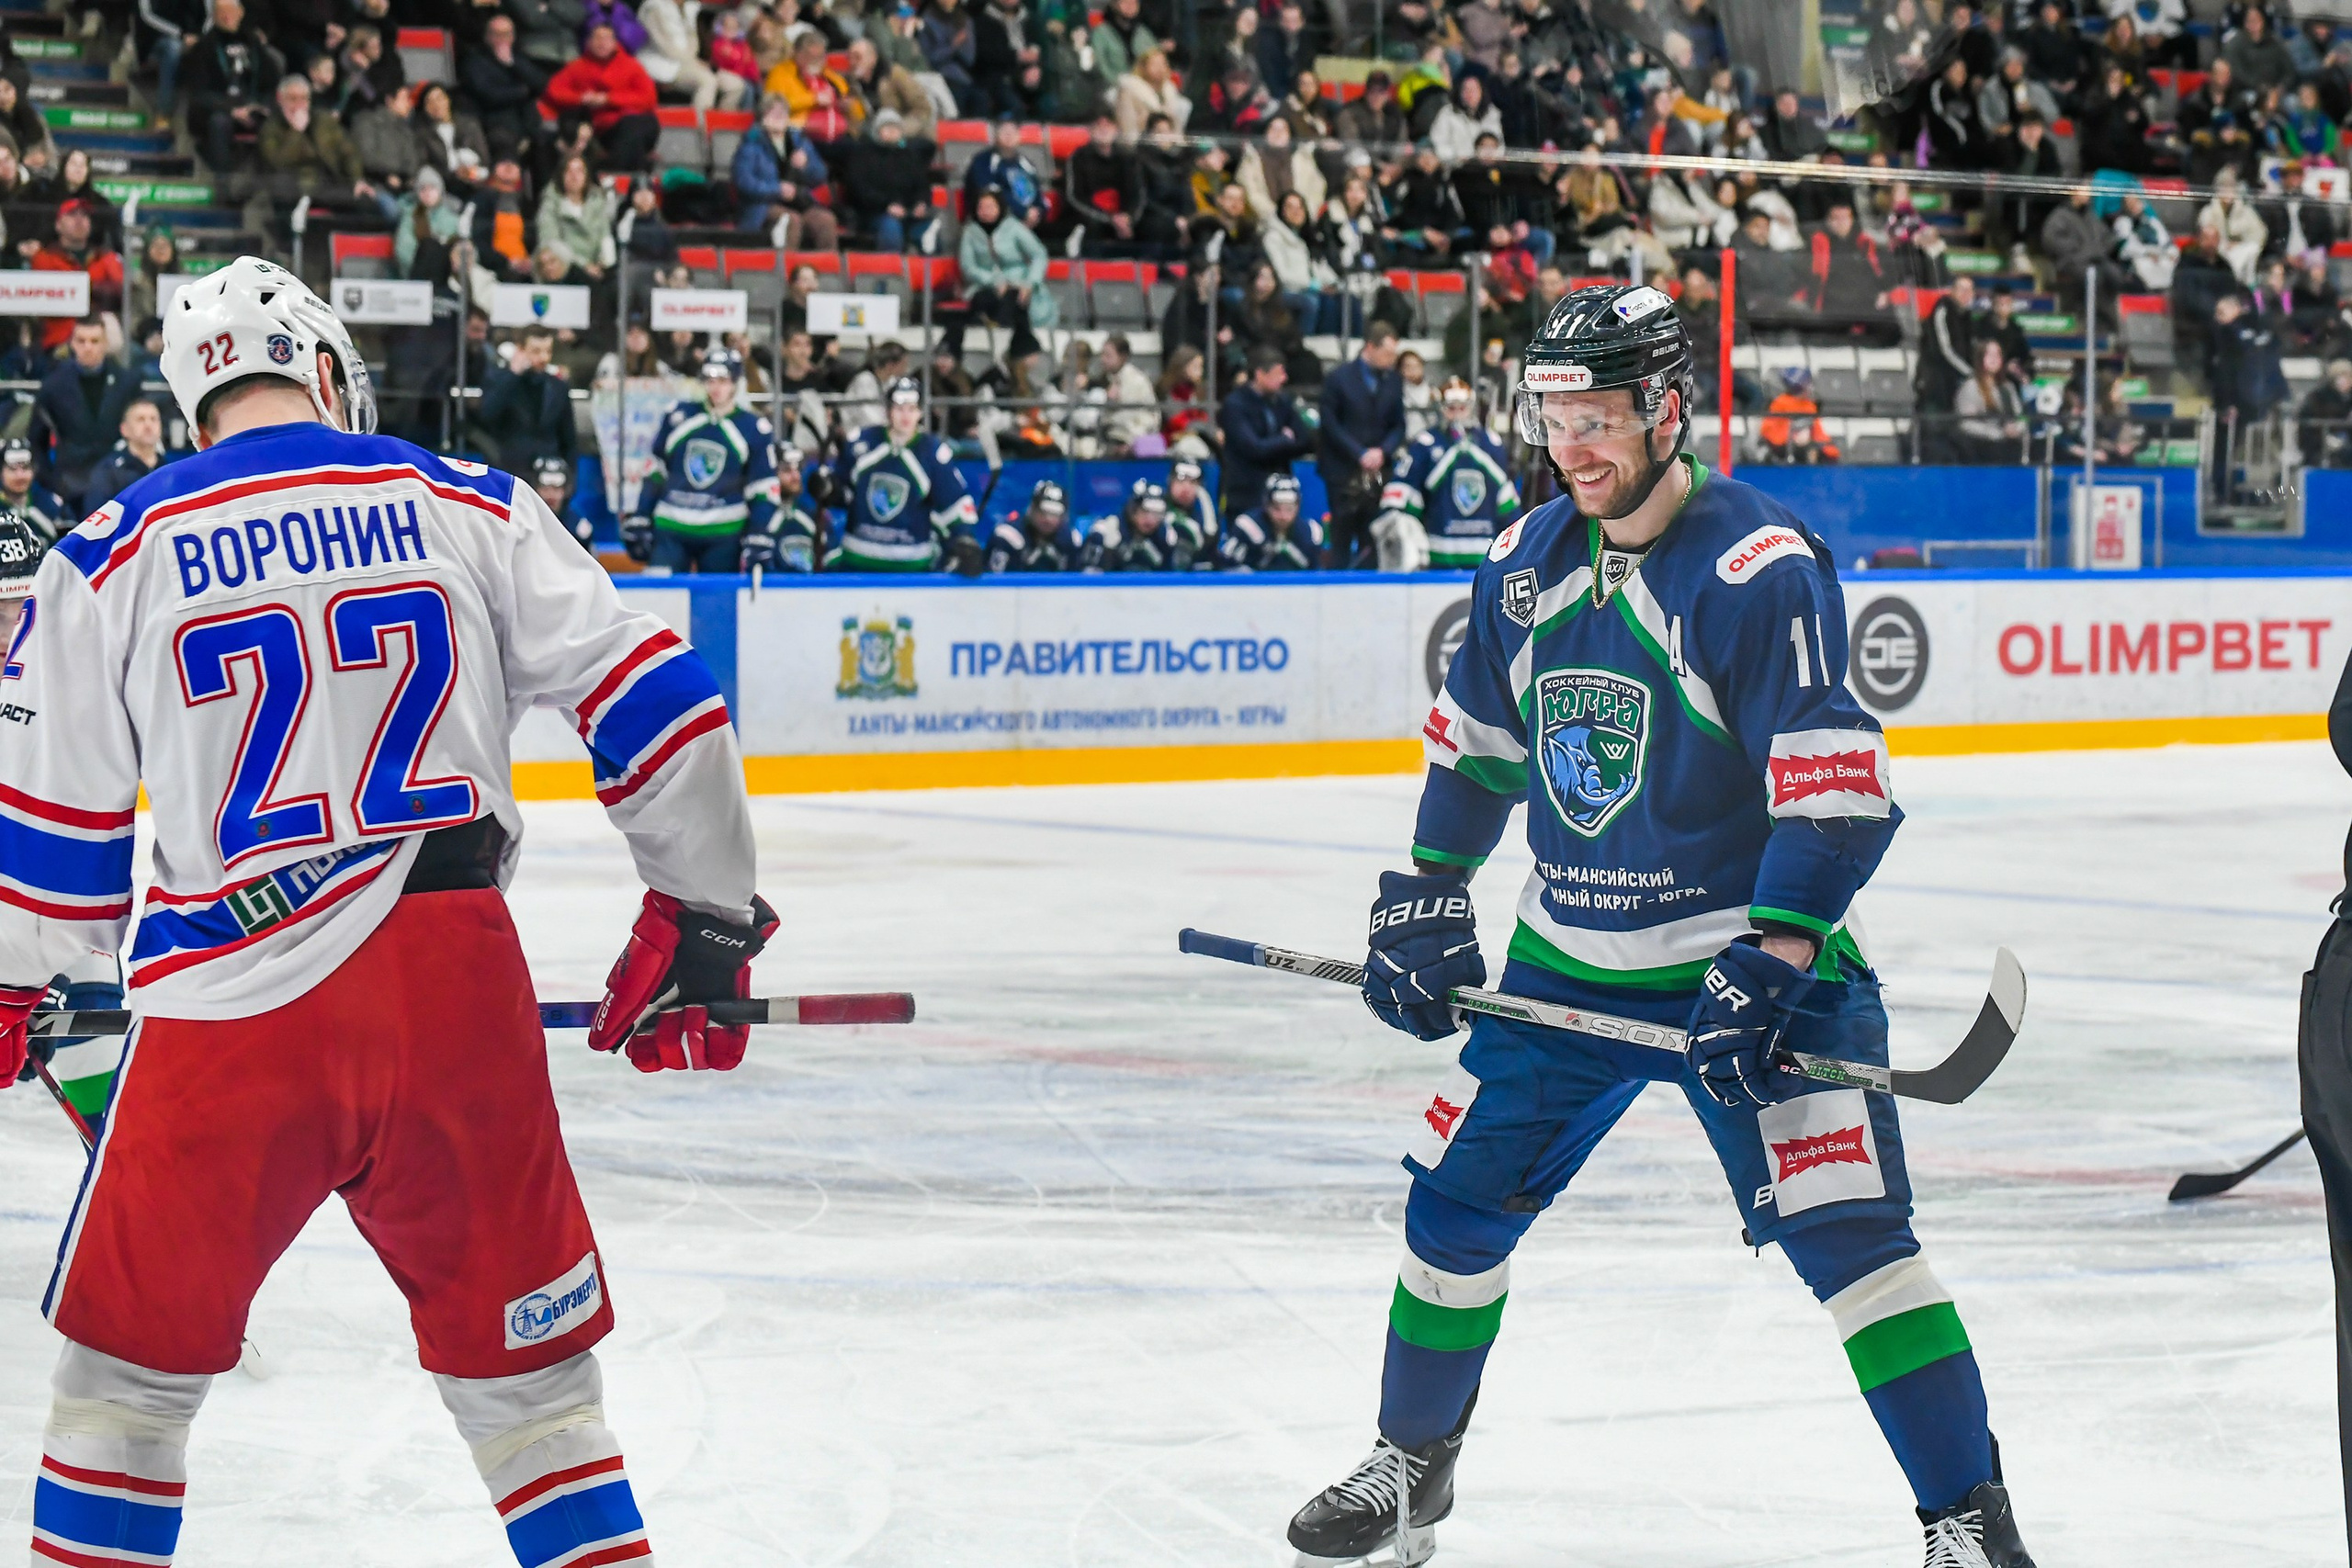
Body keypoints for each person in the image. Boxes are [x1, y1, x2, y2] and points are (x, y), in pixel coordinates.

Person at [0, 254, 772, 1568]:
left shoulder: (110, 548)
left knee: (122, 1399)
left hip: (225, 1018)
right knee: (540, 1410)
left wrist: (32, 985)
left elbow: (52, 836)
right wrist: (703, 915)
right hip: (454, 991)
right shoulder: (461, 496)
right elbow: (667, 697)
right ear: (317, 367)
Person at [1284, 281, 2036, 1568]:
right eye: (1552, 411)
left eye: (1598, 414)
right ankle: (1415, 1465)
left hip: (1749, 973)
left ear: (1666, 408)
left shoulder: (1758, 566)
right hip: (1565, 972)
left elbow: (1832, 783)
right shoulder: (1522, 568)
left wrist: (1781, 950)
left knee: (1851, 1237)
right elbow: (1476, 753)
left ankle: (1968, 1520)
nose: (1572, 442)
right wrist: (1422, 891)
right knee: (1452, 1213)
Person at [623, 348, 782, 574]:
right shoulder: (679, 416)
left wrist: (759, 532)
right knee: (661, 600)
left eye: (723, 380)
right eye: (710, 379)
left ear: (736, 382)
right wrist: (640, 514)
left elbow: (764, 487)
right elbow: (656, 471)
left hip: (724, 534)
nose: (716, 387)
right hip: (671, 528)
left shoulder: (753, 428)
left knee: (717, 604)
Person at [822, 376, 978, 571]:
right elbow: (842, 492)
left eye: (912, 409)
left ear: (921, 412)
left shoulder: (932, 452)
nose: (905, 416)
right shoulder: (862, 443)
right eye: (899, 408)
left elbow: (955, 503)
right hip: (857, 564)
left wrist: (964, 538)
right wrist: (828, 487)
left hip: (911, 570)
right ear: (888, 411)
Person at [1373, 373, 1521, 570]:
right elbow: (1402, 497)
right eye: (1451, 408)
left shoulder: (1490, 443)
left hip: (1486, 556)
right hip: (1439, 556)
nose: (1458, 413)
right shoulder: (1425, 443)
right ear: (1441, 408)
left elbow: (1505, 499)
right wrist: (1399, 519)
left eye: (1462, 407)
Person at [1318, 322, 1405, 569]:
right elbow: (1330, 424)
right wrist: (1359, 453)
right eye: (1388, 353)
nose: (1392, 359)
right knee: (1341, 537)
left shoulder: (1393, 381)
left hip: (1379, 473)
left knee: (1374, 538)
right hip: (1343, 472)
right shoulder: (1338, 379)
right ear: (1370, 347)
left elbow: (1398, 425)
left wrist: (1382, 451)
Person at [31, 317, 140, 504]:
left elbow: (139, 433)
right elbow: (35, 440)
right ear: (72, 343)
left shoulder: (127, 382)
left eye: (95, 341)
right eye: (81, 341)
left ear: (105, 343)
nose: (88, 347)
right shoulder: (53, 386)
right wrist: (53, 483)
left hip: (118, 484)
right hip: (70, 486)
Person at [950, 188, 1053, 362]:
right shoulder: (970, 232)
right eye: (981, 207)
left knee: (1017, 301)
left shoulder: (1013, 227)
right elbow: (968, 266)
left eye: (990, 206)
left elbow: (1039, 254)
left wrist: (1030, 282)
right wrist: (993, 281)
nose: (986, 211)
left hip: (1018, 283)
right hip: (984, 284)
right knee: (985, 300)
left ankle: (1019, 348)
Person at [542, 23, 659, 171]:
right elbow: (553, 91)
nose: (602, 43)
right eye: (597, 38)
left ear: (615, 43)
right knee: (632, 142)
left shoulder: (632, 66)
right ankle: (627, 177)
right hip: (605, 130)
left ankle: (617, 173)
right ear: (589, 42)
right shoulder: (577, 67)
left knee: (633, 127)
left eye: (607, 38)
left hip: (637, 123)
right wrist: (582, 98)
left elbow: (648, 98)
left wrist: (608, 99)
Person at [182, 0, 279, 175]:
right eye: (220, 11)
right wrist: (232, 110)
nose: (226, 16)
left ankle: (270, 188)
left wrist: (258, 106)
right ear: (213, 16)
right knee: (219, 123)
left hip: (252, 107)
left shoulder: (254, 43)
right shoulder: (203, 47)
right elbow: (199, 93)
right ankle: (223, 188)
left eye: (230, 10)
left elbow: (270, 84)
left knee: (273, 123)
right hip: (218, 111)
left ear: (241, 13)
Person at [1217, 344, 1313, 519]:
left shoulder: (1283, 401)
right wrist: (1284, 439)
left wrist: (1276, 444)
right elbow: (1253, 448)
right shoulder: (1236, 405)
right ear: (1260, 374)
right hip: (1246, 494)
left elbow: (1304, 440)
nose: (1284, 379)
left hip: (1281, 494)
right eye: (1279, 373)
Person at [480, 326, 576, 477]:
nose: (543, 358)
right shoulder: (499, 379)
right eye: (536, 351)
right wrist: (514, 375)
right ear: (520, 350)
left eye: (548, 351)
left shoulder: (558, 387)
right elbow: (487, 414)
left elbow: (568, 438)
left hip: (547, 476)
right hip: (508, 470)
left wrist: (570, 478)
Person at [841, 109, 939, 252]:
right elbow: (858, 189)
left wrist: (921, 203)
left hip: (908, 212)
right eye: (888, 127)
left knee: (931, 229)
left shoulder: (909, 156)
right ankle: (892, 271)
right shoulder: (862, 155)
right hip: (874, 213)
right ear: (877, 130)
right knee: (890, 226)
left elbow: (922, 185)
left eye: (896, 128)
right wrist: (887, 205)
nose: (893, 131)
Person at [77, 394, 172, 516]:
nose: (148, 425)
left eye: (153, 419)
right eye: (140, 419)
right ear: (124, 429)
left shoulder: (169, 469)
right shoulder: (108, 472)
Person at [1217, 471, 1321, 570]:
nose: (1283, 516)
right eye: (1277, 508)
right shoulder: (1247, 527)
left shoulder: (1311, 532)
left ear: (1298, 507)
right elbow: (1226, 566)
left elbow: (1317, 574)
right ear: (1266, 505)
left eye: (1289, 509)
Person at [1087, 479, 1193, 571]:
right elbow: (1088, 578)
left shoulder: (1167, 537)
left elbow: (1174, 579)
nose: (1151, 520)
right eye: (1145, 511)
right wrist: (1108, 552)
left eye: (1157, 514)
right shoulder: (1104, 532)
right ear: (1132, 509)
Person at [984, 478, 1085, 572]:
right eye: (1043, 512)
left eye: (1055, 514)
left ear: (1064, 516)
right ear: (1031, 509)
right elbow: (993, 583)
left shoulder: (1071, 540)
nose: (1048, 519)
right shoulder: (1007, 536)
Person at [0, 439, 67, 543]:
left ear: (34, 470)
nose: (20, 475)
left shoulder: (51, 503)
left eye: (25, 467)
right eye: (12, 469)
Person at [2301, 358, 2352, 468]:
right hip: (2319, 445)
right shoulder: (2318, 397)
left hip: (2346, 443)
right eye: (2342, 376)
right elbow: (2307, 423)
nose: (2346, 380)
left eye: (2349, 377)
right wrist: (2326, 439)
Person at [1165, 455, 1217, 553]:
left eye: (1193, 482)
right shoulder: (1157, 509)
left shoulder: (1203, 509)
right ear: (1170, 481)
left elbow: (1210, 539)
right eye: (1180, 480)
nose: (1186, 488)